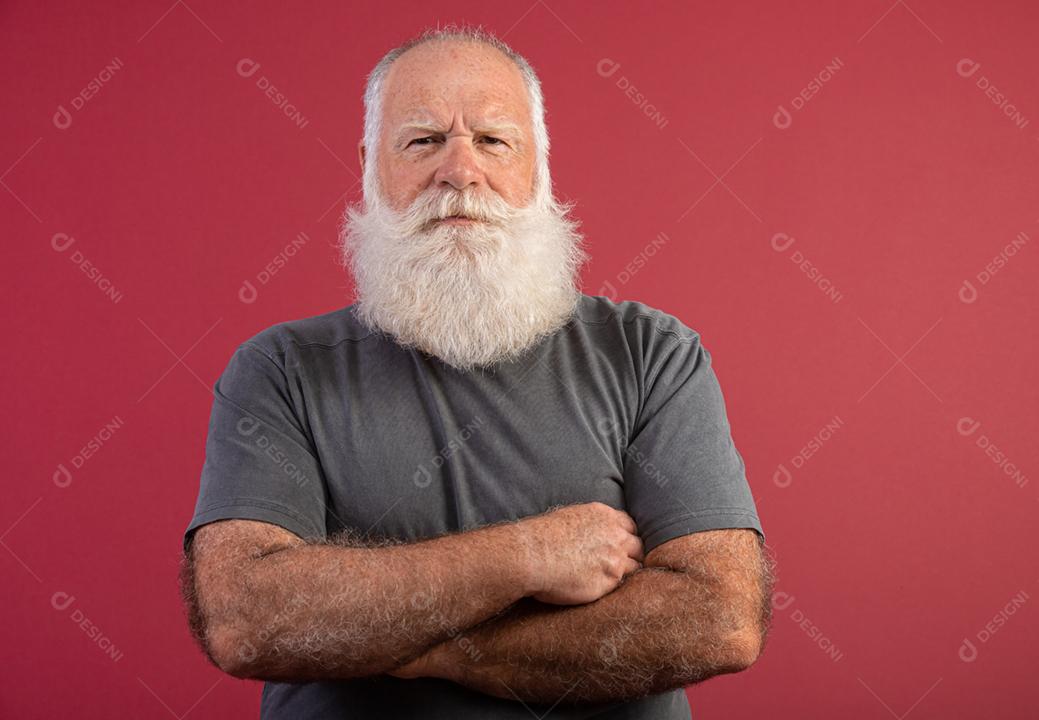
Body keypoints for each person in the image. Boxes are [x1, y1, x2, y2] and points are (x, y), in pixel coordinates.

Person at [180, 24, 774, 719]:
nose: (460, 171)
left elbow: (718, 616)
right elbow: (248, 618)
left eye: (493, 141)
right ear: (372, 168)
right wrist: (528, 554)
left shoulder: (652, 353)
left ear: (539, 173)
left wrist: (427, 646)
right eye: (423, 141)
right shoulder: (279, 370)